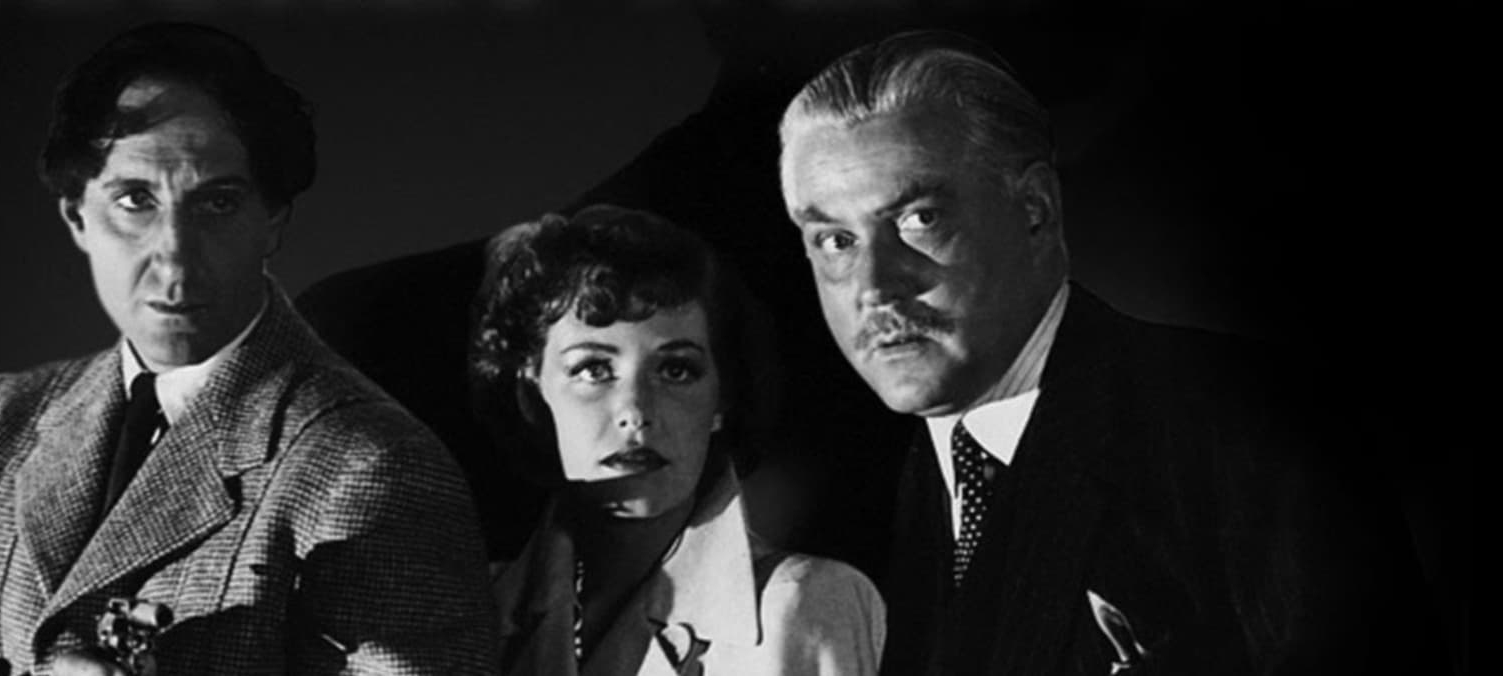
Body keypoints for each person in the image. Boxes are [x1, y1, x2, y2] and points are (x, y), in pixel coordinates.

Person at [775, 30, 1444, 674]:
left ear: (1035, 209)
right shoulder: (871, 500)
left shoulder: (1245, 430)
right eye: (836, 241)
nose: (874, 287)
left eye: (919, 219)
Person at [0, 23, 495, 675]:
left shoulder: (373, 464)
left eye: (217, 203)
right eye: (136, 200)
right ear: (77, 214)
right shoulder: (2, 423)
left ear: (273, 220)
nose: (175, 258)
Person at [469, 205, 887, 676]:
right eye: (593, 369)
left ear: (721, 398)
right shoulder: (476, 611)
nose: (636, 412)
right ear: (532, 396)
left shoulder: (803, 602)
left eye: (675, 370)